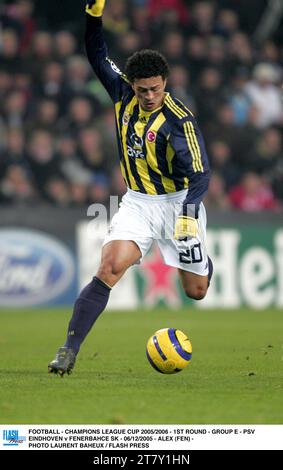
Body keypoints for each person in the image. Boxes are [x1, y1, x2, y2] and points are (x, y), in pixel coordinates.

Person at [48, 0, 213, 376]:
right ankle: (68, 351)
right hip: (138, 203)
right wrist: (93, 16)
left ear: (164, 84)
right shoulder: (122, 94)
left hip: (179, 205)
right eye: (142, 90)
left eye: (155, 89)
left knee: (196, 291)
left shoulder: (180, 122)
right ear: (133, 86)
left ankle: (205, 261)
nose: (149, 96)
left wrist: (188, 217)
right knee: (108, 268)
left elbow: (201, 175)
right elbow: (96, 53)